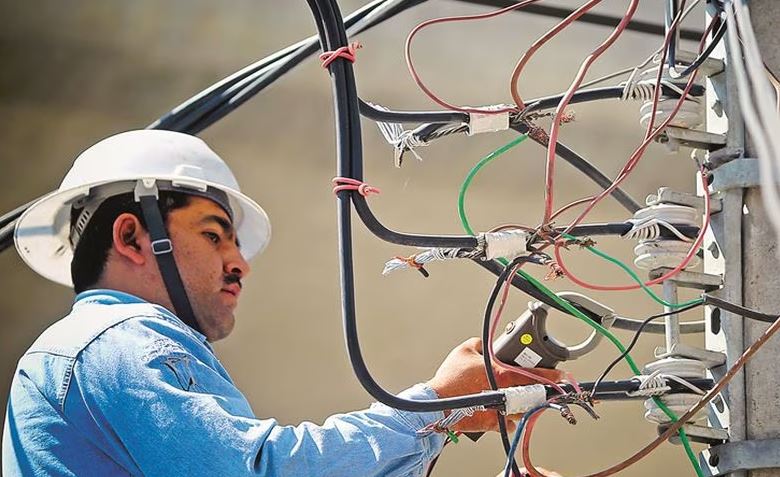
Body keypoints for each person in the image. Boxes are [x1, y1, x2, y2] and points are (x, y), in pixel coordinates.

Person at [2, 130, 562, 476]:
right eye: (214, 234)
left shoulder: (81, 358)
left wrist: (438, 418)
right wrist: (434, 405)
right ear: (132, 238)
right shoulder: (119, 341)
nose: (240, 263)